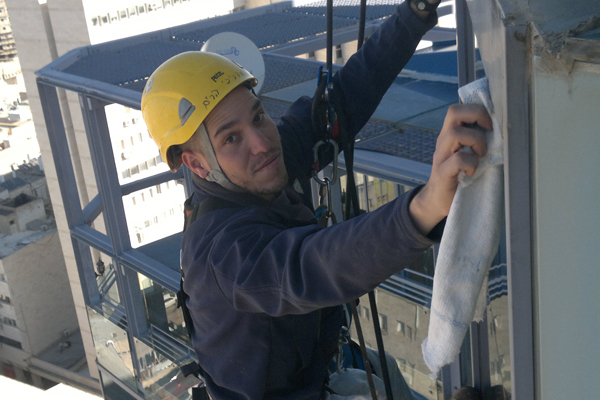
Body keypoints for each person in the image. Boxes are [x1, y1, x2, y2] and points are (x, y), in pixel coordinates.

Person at [141, 0, 492, 399]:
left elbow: (342, 102)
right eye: (230, 138)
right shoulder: (223, 256)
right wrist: (425, 206)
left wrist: (413, 15)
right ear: (197, 164)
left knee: (387, 372)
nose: (261, 143)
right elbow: (310, 265)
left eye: (258, 116)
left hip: (315, 369)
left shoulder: (255, 166)